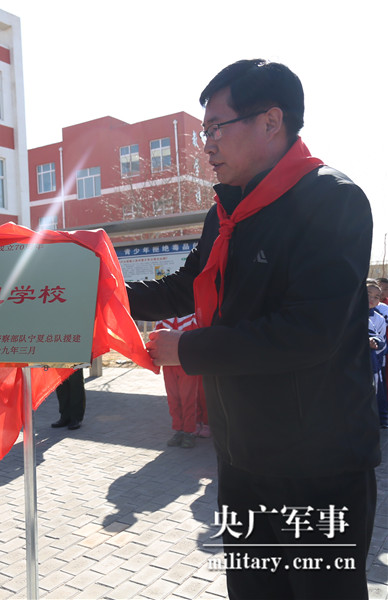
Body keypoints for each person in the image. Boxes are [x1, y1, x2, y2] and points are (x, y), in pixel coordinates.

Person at [125, 60, 379, 599]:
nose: (207, 145)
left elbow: (310, 331)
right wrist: (103, 298)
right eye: (204, 131)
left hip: (317, 463)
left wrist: (188, 348)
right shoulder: (226, 212)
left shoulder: (332, 201)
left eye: (216, 127)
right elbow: (186, 286)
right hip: (243, 453)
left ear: (271, 121)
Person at [155, 314, 204, 449]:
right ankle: (179, 430)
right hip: (169, 365)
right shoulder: (162, 317)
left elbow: (198, 338)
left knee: (188, 398)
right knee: (173, 398)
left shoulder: (192, 316)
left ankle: (189, 432)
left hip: (186, 364)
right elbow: (155, 340)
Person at [367, 280, 387, 428]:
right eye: (368, 294)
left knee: (375, 393)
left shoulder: (379, 318)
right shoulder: (348, 312)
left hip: (374, 364)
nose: (371, 299)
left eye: (377, 296)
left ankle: (381, 419)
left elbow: (382, 343)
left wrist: (374, 343)